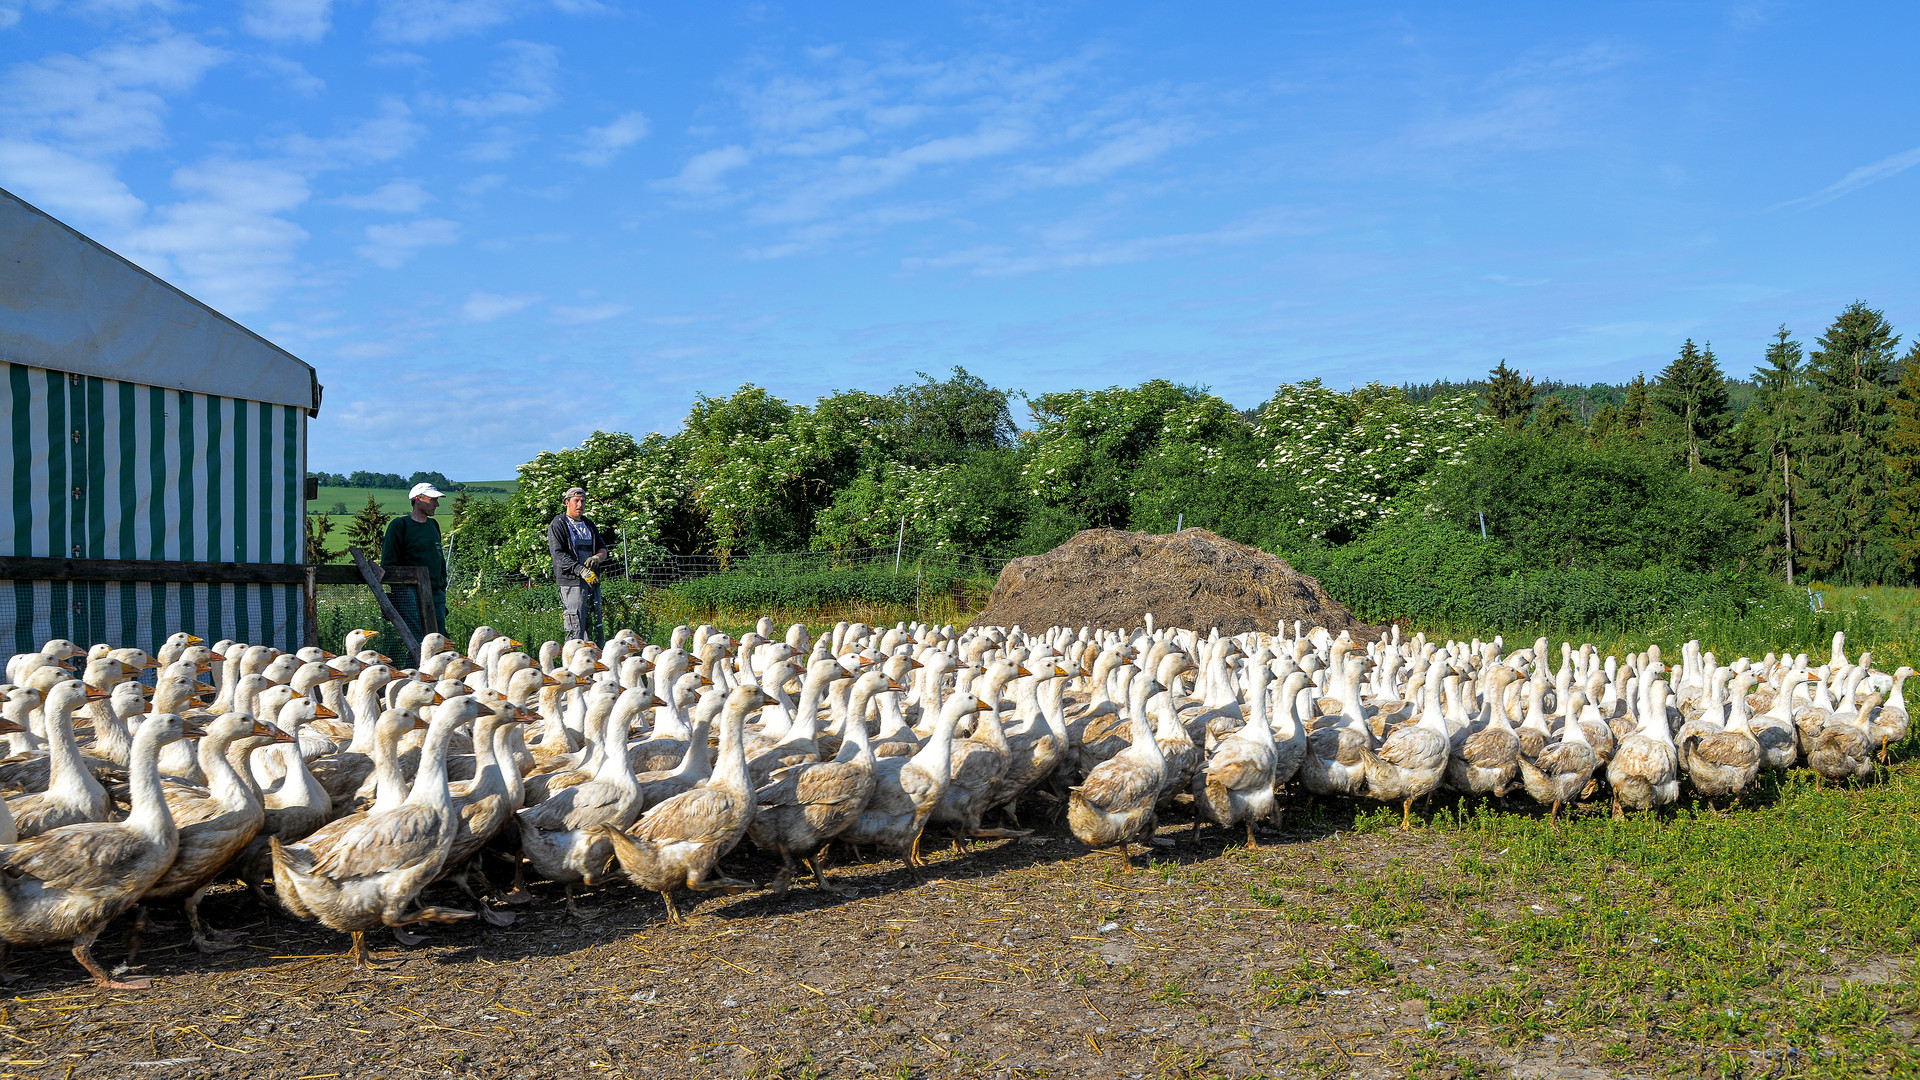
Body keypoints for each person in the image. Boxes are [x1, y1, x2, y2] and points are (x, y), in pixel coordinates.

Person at [382, 481, 448, 662]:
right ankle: (414, 679)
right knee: (418, 640)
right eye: (433, 500)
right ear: (418, 499)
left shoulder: (434, 526)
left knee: (439, 640)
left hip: (436, 592)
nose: (437, 504)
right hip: (409, 593)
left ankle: (435, 681)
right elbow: (389, 563)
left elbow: (439, 560)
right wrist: (402, 589)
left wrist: (442, 587)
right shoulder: (399, 525)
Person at [549, 486, 607, 645]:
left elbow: (603, 549)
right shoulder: (558, 524)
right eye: (576, 501)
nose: (580, 504)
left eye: (583, 501)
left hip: (592, 582)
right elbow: (558, 555)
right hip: (572, 582)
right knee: (576, 625)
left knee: (594, 625)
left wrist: (597, 557)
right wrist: (581, 570)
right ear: (567, 502)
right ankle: (571, 663)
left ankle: (593, 663)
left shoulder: (588, 524)